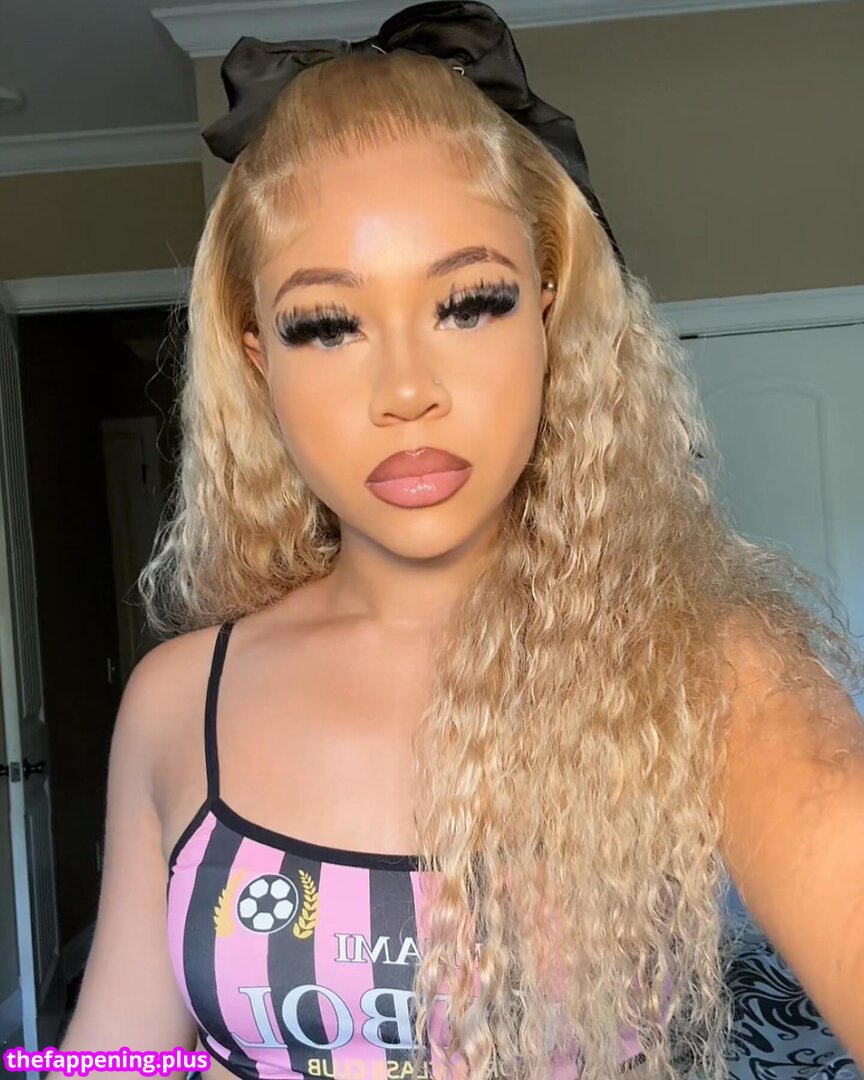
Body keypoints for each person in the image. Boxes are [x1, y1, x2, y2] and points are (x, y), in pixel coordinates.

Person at [51, 3, 864, 1080]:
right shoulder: (175, 702)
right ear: (256, 357)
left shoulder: (714, 673)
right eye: (327, 324)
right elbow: (112, 1060)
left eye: (470, 304)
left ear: (548, 311)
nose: (406, 391)